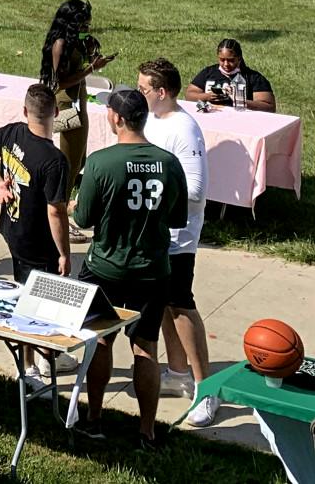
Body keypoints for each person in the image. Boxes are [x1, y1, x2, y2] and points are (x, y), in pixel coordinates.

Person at [72, 88, 185, 449]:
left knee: (101, 342)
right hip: (152, 270)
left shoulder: (101, 162)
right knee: (146, 349)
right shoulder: (169, 163)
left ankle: (94, 419)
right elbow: (178, 217)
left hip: (105, 269)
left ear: (117, 118)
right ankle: (147, 432)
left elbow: (84, 218)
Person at [0, 82, 71, 395]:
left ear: (25, 112)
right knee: (33, 308)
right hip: (37, 243)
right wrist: (64, 253)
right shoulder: (54, 160)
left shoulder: (14, 132)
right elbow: (56, 213)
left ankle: (44, 355)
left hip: (14, 231)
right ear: (56, 112)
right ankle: (28, 368)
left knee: (31, 301)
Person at [138, 59, 219, 430]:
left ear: (162, 92)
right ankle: (176, 371)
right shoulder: (150, 119)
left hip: (178, 234)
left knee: (181, 305)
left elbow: (198, 191)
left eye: (143, 89)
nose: (139, 94)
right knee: (164, 304)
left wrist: (149, 195)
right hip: (152, 231)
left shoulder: (184, 129)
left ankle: (206, 388)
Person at [40, 0, 113, 187]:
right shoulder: (60, 44)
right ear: (71, 24)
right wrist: (92, 68)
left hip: (79, 99)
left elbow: (78, 68)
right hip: (65, 102)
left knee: (79, 158)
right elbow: (60, 83)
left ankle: (60, 202)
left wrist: (90, 54)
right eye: (84, 26)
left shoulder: (75, 41)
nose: (87, 30)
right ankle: (58, 205)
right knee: (70, 160)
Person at [185, 39, 276, 112]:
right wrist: (207, 96)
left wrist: (239, 101)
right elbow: (189, 95)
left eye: (231, 60)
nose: (226, 64)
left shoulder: (253, 78)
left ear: (239, 58)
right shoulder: (208, 72)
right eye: (222, 60)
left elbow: (269, 107)